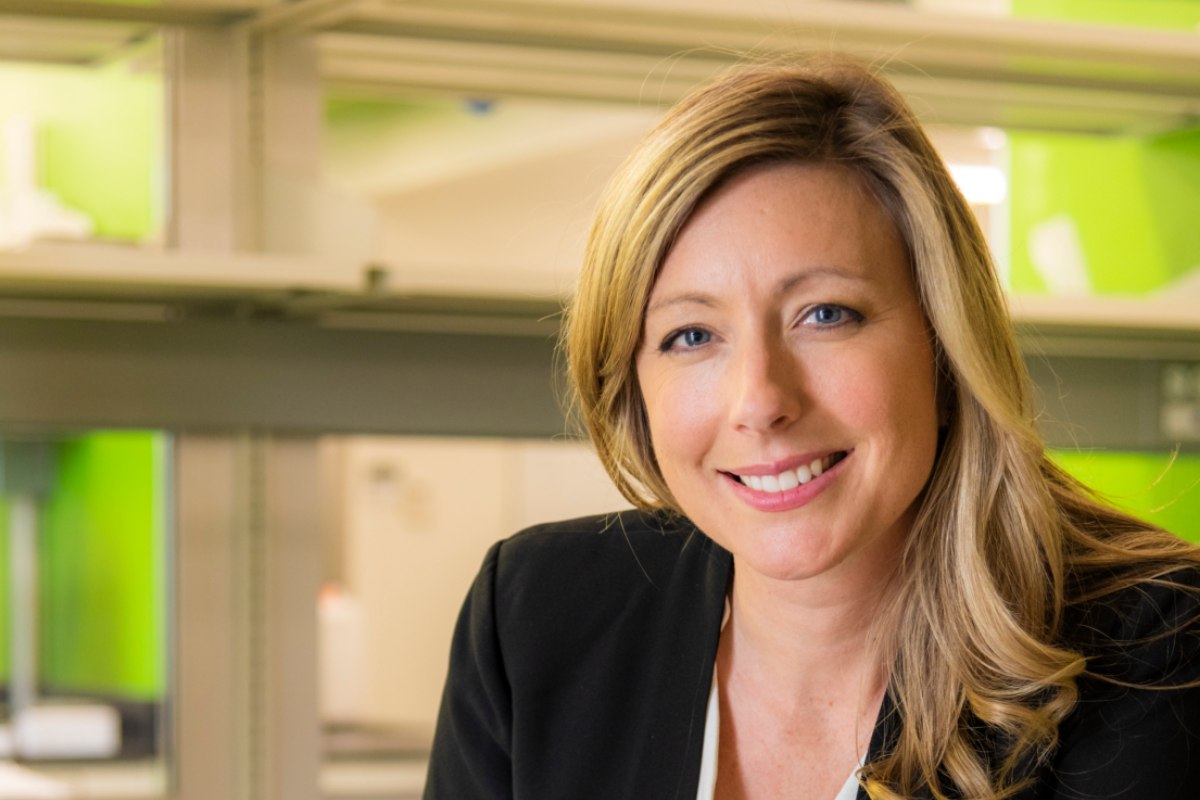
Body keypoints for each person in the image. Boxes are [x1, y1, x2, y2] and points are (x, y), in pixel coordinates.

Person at [423, 57, 1200, 799]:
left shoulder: (1156, 651)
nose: (760, 400)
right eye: (691, 335)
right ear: (633, 384)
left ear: (944, 346)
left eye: (826, 315)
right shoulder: (536, 615)